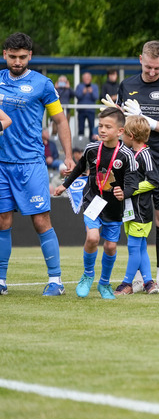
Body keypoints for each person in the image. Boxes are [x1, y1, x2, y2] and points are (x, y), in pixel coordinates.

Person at [0, 33, 74, 296]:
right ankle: (1, 281)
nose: (17, 62)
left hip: (30, 163)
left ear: (30, 56)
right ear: (5, 54)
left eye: (22, 57)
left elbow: (60, 120)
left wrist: (68, 156)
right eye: (12, 57)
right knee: (2, 220)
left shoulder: (43, 84)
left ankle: (56, 281)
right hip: (1, 164)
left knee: (41, 220)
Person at [116, 40, 159, 292]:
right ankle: (139, 278)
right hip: (135, 165)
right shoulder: (127, 85)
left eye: (157, 68)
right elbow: (123, 124)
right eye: (149, 68)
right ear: (140, 60)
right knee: (136, 220)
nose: (153, 72)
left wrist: (145, 119)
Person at [55, 108, 138, 299]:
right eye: (100, 125)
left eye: (108, 127)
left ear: (120, 131)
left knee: (110, 246)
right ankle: (87, 275)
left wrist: (124, 193)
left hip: (115, 208)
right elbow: (79, 168)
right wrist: (64, 186)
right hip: (93, 202)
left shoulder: (126, 155)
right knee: (92, 238)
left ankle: (104, 283)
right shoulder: (91, 149)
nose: (102, 130)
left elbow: (133, 182)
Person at [114, 115, 159, 295]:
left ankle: (127, 284)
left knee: (134, 247)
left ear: (131, 135)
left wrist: (131, 190)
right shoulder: (130, 154)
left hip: (141, 211)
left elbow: (154, 181)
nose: (121, 136)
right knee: (140, 247)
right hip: (130, 209)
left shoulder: (145, 155)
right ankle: (149, 282)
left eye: (124, 133)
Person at [74, 71, 100, 139]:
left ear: (90, 78)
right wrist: (83, 92)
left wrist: (91, 92)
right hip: (81, 110)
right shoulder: (79, 86)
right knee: (81, 128)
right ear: (83, 79)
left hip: (91, 110)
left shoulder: (94, 86)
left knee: (92, 128)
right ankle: (81, 143)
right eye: (85, 78)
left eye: (88, 78)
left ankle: (91, 143)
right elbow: (77, 96)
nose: (86, 79)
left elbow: (96, 97)